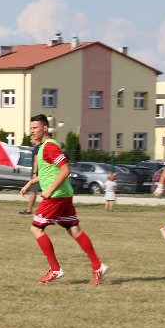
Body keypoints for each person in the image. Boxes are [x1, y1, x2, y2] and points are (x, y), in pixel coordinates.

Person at [21, 114, 108, 285]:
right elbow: (49, 172)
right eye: (31, 128)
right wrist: (31, 182)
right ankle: (98, 266)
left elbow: (65, 169)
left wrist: (49, 190)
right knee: (74, 230)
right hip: (64, 194)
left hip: (56, 196)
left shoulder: (49, 147)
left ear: (45, 128)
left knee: (36, 229)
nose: (32, 131)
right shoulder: (44, 147)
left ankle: (55, 269)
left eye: (35, 128)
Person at [20, 137, 42, 214]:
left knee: (33, 191)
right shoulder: (39, 147)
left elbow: (36, 161)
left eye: (31, 139)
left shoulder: (37, 147)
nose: (30, 140)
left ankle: (29, 210)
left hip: (38, 174)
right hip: (40, 173)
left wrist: (35, 173)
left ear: (35, 139)